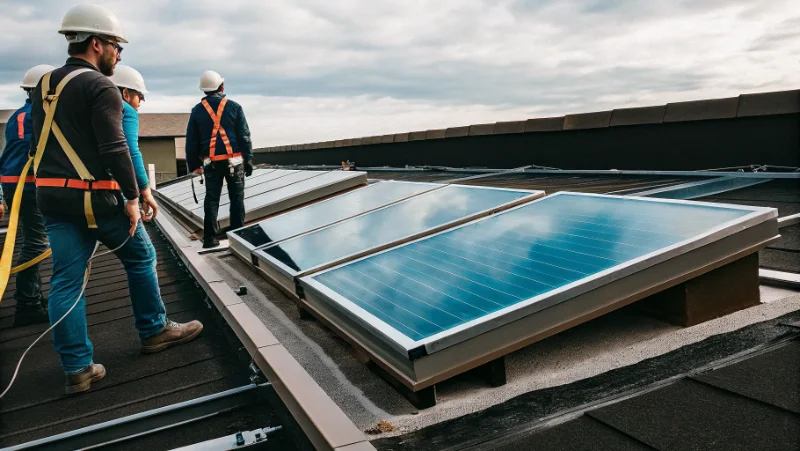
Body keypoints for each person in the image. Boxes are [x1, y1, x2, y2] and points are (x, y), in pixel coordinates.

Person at [29, 4, 202, 395]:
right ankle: (155, 330)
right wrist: (131, 196)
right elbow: (115, 147)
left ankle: (78, 369)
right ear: (95, 43)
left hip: (53, 200)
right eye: (115, 47)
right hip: (95, 200)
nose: (119, 55)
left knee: (65, 281)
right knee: (141, 257)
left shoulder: (44, 86)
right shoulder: (100, 86)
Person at [0, 64, 55, 326]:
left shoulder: (19, 115)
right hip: (27, 186)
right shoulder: (35, 115)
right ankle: (27, 303)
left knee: (33, 240)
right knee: (36, 242)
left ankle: (32, 297)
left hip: (17, 185)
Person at [185, 70, 254, 248]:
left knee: (212, 199)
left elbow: (191, 141)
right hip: (235, 162)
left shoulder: (197, 111)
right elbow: (244, 136)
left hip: (211, 163)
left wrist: (194, 165)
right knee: (237, 200)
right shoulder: (235, 107)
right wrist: (248, 159)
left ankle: (209, 239)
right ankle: (239, 240)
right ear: (221, 87)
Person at [108, 65, 158, 221]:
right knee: (142, 245)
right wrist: (145, 190)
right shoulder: (126, 110)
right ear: (125, 94)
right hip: (114, 190)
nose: (141, 101)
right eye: (139, 95)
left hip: (78, 190)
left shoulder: (93, 108)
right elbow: (130, 151)